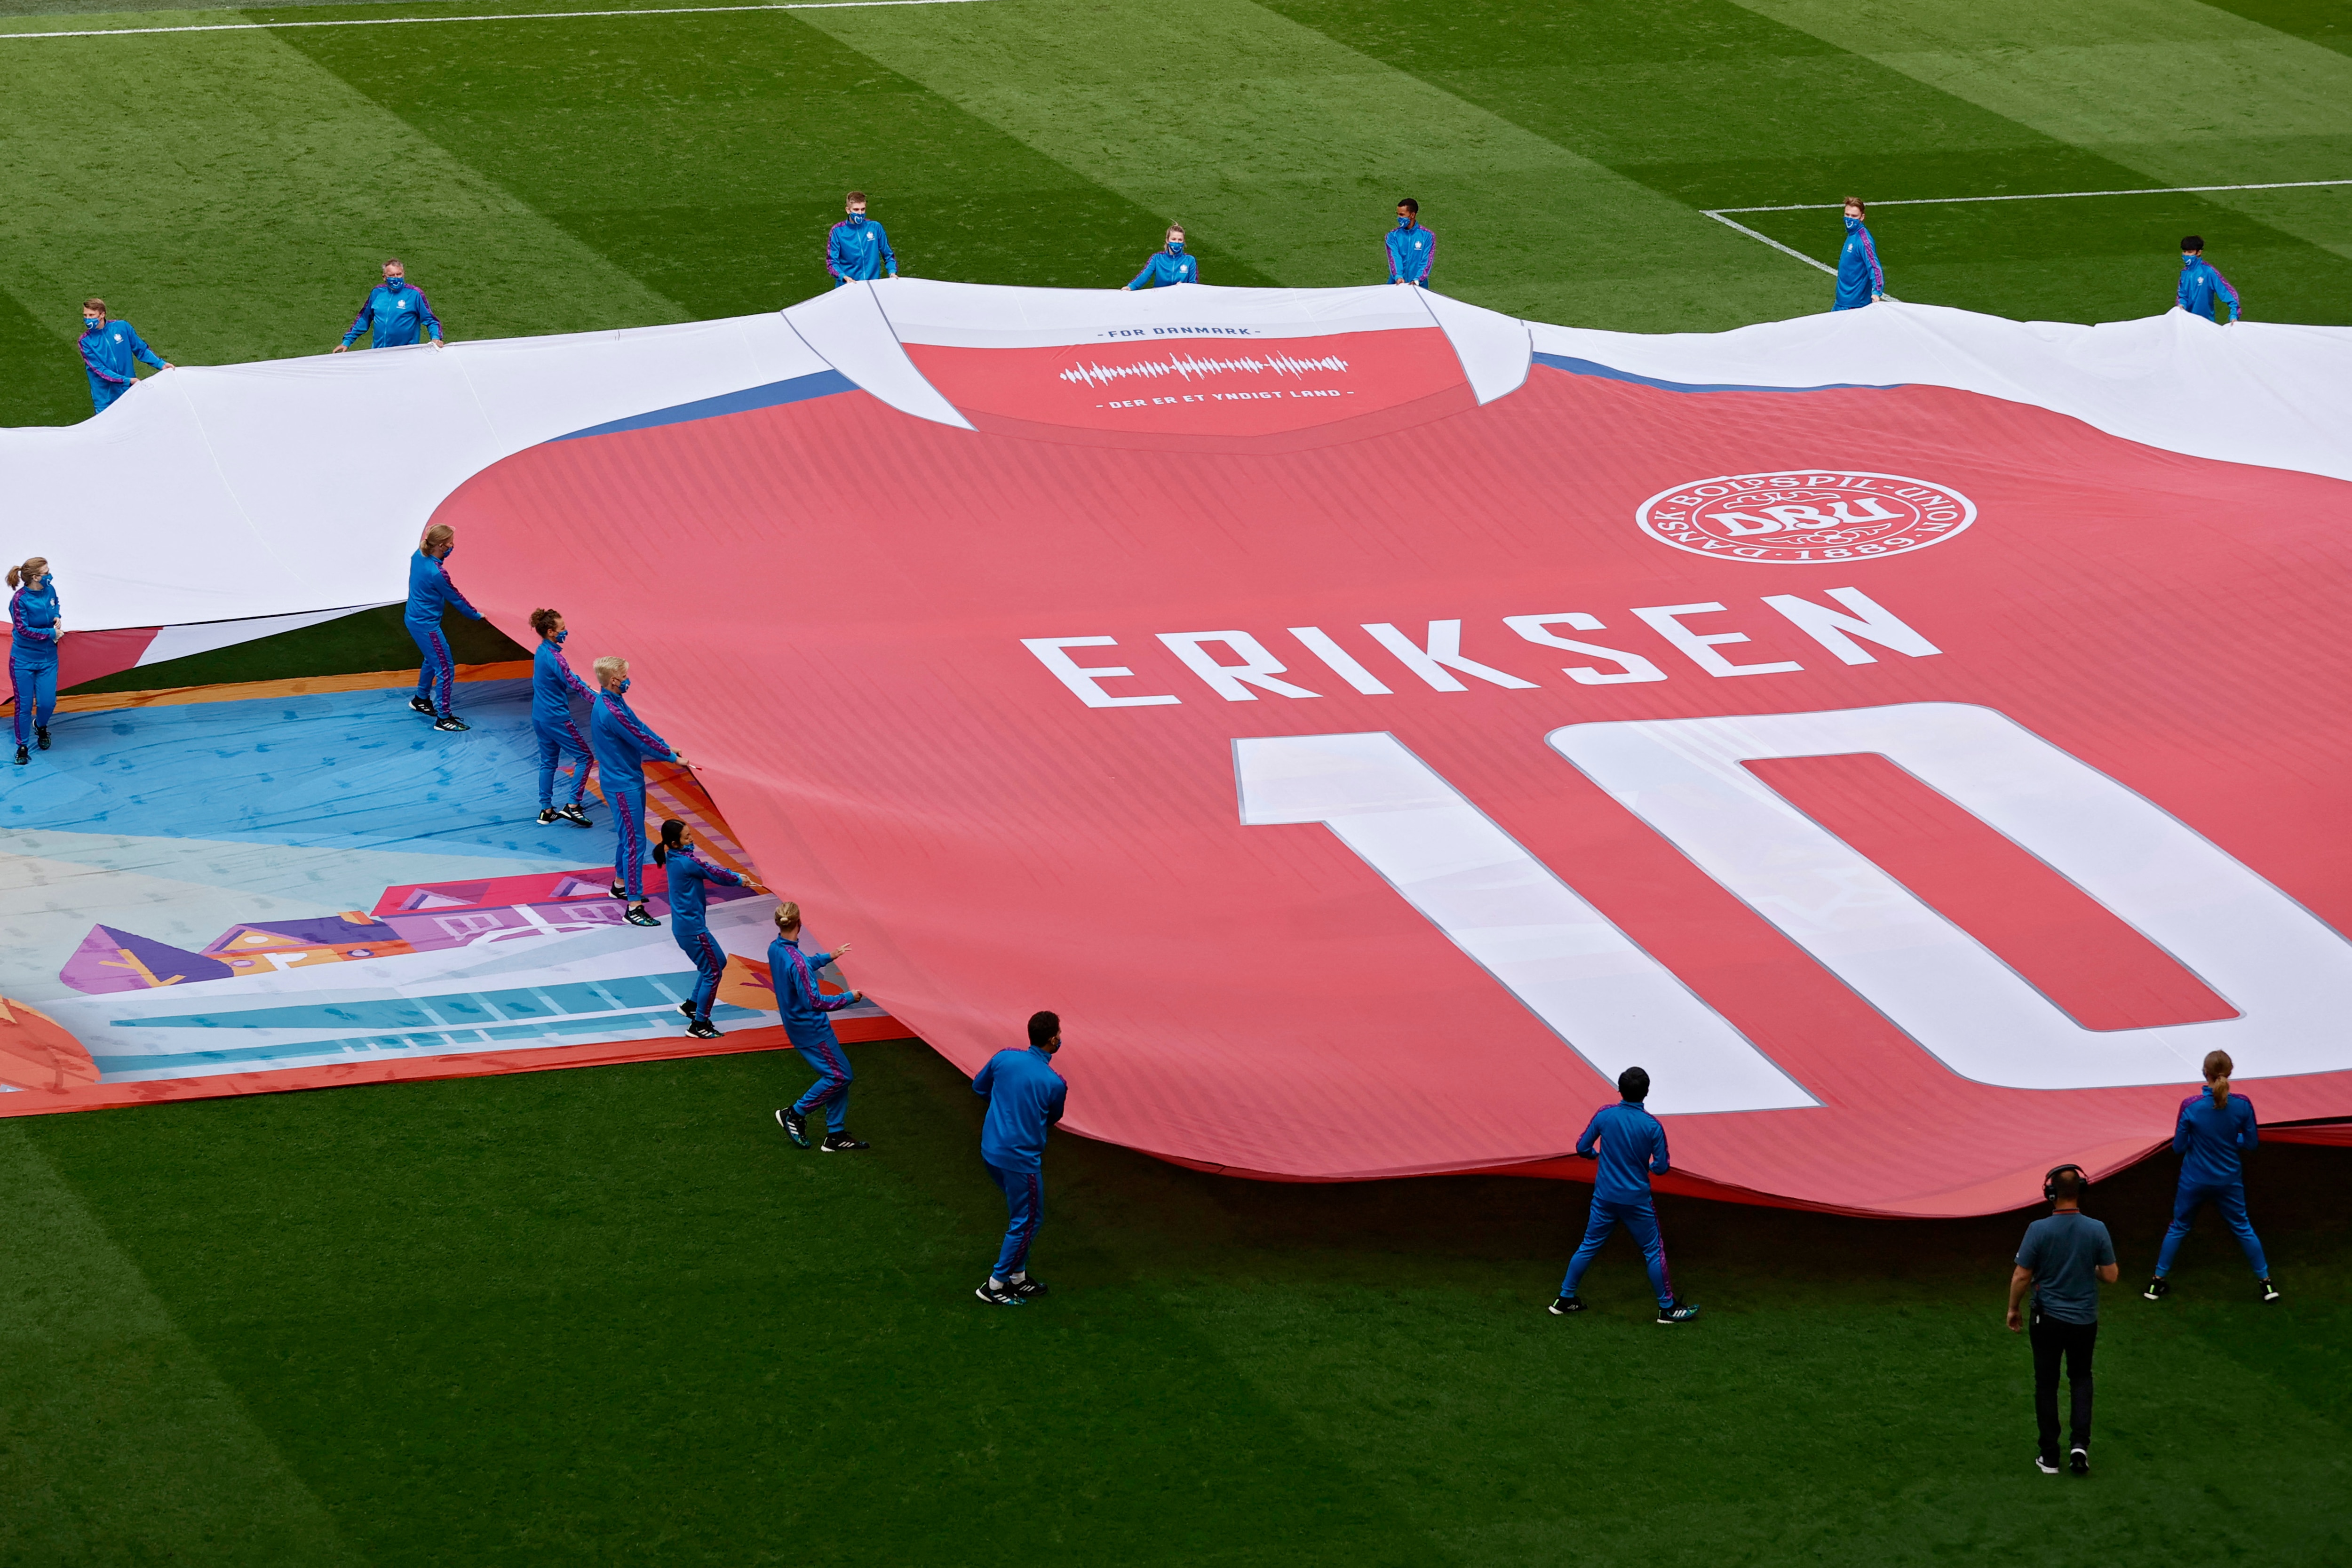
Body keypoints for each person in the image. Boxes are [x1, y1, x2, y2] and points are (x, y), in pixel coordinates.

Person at [1551, 1066, 1700, 1324]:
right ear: (1647, 1093)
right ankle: (1667, 1308)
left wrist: (1595, 1156)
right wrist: (1651, 1167)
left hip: (1605, 1197)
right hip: (1637, 1201)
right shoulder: (1653, 1126)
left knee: (1588, 1246)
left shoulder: (1605, 1115)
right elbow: (1662, 1167)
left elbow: (1582, 1147)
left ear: (1619, 1090)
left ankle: (1564, 1299)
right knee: (1653, 1250)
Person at [2008, 1164, 2118, 1476]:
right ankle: (2080, 1446)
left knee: (2047, 1384)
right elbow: (2110, 1275)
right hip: (2084, 1320)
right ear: (2080, 1190)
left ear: (2050, 1194)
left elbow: (2022, 1275)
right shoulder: (2097, 1229)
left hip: (2048, 1320)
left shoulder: (2038, 1230)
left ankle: (2050, 1456)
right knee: (2081, 1378)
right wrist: (2089, 1266)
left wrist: (2013, 1308)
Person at [2145, 1049, 2276, 1302]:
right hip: (2229, 1180)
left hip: (2194, 1180)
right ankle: (2266, 1285)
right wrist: (2231, 1139)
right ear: (2230, 1072)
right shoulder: (2243, 1105)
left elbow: (2178, 1148)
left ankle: (2156, 1284)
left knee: (2179, 1227)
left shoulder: (2191, 1106)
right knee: (2243, 1227)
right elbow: (2251, 1144)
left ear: (2205, 1073)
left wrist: (2200, 1139)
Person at [588, 654, 693, 928]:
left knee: (627, 838)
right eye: (625, 678)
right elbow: (638, 738)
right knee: (635, 843)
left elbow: (641, 728)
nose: (628, 681)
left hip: (628, 779)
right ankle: (633, 906)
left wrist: (667, 747)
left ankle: (620, 885)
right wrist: (671, 758)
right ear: (614, 680)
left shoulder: (613, 701)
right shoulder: (612, 711)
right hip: (623, 785)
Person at [972, 1011, 1068, 1306]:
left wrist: (1005, 1106)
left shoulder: (1004, 1057)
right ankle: (995, 1284)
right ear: (1053, 1039)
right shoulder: (1055, 1083)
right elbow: (1052, 1118)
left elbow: (979, 1087)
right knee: (1028, 1220)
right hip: (1020, 1160)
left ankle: (1018, 1277)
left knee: (1022, 1215)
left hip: (991, 1151)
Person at [770, 901, 870, 1152]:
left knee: (838, 1076)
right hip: (812, 1029)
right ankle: (795, 1113)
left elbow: (799, 967)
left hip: (797, 1025)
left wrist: (828, 957)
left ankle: (835, 1135)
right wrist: (849, 997)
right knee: (841, 1076)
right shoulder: (798, 963)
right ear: (800, 923)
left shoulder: (776, 949)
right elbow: (814, 1001)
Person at [652, 820, 759, 1041]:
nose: (692, 839)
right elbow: (712, 872)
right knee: (713, 972)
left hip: (688, 927)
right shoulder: (685, 861)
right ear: (675, 843)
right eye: (687, 837)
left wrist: (736, 878)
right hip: (693, 929)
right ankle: (699, 1023)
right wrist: (739, 879)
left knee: (717, 963)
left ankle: (692, 1005)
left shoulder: (676, 857)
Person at [404, 524, 483, 732]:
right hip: (426, 625)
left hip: (415, 619)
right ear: (441, 545)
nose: (452, 545)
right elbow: (455, 597)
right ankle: (444, 718)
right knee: (446, 669)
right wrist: (476, 615)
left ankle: (421, 699)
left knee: (432, 660)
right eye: (450, 543)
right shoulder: (437, 573)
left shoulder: (418, 555)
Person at [527, 608, 596, 828]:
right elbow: (573, 682)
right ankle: (573, 806)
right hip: (557, 718)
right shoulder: (555, 658)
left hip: (539, 717)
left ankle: (546, 810)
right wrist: (599, 700)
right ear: (551, 632)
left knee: (548, 763)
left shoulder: (541, 651)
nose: (566, 631)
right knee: (586, 758)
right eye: (563, 628)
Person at [79, 298, 173, 414]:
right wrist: (126, 381)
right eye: (85, 315)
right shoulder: (85, 342)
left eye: (92, 315)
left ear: (102, 314)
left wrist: (161, 364)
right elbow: (100, 370)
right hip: (105, 399)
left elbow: (141, 350)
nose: (88, 319)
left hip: (128, 392)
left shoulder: (122, 327)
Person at [9, 557, 61, 767]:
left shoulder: (50, 590)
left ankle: (40, 726)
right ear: (35, 577)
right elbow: (22, 630)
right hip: (23, 660)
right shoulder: (20, 599)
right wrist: (51, 633)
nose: (50, 575)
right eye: (46, 572)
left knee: (47, 703)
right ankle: (22, 745)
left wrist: (57, 616)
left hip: (48, 659)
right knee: (23, 705)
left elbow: (55, 605)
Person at [334, 259, 444, 352]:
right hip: (379, 353)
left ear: (403, 274)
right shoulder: (377, 293)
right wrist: (347, 342)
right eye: (391, 275)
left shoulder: (415, 294)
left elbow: (431, 321)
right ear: (384, 277)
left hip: (406, 354)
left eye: (399, 274)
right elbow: (364, 319)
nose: (396, 278)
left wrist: (436, 338)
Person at [826, 192, 898, 287]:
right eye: (856, 210)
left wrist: (892, 272)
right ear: (848, 210)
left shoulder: (875, 228)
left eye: (863, 209)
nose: (860, 213)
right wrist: (843, 277)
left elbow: (889, 255)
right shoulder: (837, 232)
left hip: (872, 286)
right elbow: (831, 262)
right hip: (848, 287)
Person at [1834, 197, 1885, 311]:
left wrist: (1877, 291)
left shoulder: (1864, 241)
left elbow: (1874, 266)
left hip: (1855, 306)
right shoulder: (1852, 234)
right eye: (1847, 215)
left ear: (1862, 217)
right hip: (1842, 302)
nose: (1849, 219)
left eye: (1854, 216)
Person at [2177, 237, 2241, 324]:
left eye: (2190, 252)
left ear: (2199, 252)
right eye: (2184, 252)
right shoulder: (2184, 273)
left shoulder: (2208, 272)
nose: (2186, 255)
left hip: (2206, 325)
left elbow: (2229, 293)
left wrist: (2234, 315)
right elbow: (2182, 296)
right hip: (2187, 325)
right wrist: (2181, 305)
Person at [1125, 224, 1199, 290]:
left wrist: (1185, 287)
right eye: (1173, 239)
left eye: (1180, 240)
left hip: (1181, 298)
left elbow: (1194, 284)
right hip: (1160, 299)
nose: (1177, 242)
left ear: (1184, 242)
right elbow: (1145, 275)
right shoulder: (1157, 258)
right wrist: (1131, 287)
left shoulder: (1190, 260)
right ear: (1167, 240)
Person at [1385, 199, 1435, 287]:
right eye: (1398, 215)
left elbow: (1426, 262)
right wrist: (1399, 276)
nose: (1399, 218)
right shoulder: (1392, 236)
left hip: (1419, 287)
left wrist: (1417, 280)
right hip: (1397, 285)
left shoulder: (1428, 236)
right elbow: (1395, 258)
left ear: (1412, 215)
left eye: (1402, 215)